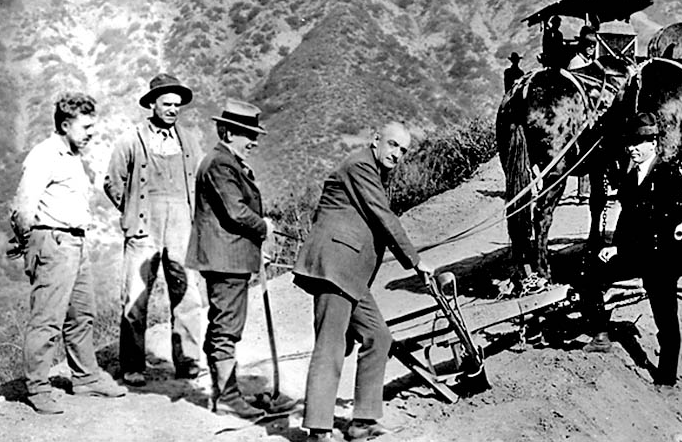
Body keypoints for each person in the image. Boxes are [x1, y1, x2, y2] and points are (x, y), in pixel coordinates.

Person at [293, 122, 434, 442]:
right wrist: (415, 261)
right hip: (336, 268)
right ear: (376, 140)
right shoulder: (359, 165)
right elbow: (383, 216)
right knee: (330, 346)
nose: (397, 154)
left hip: (350, 274)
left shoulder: (370, 169)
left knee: (379, 337)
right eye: (393, 145)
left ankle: (363, 422)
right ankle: (318, 430)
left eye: (403, 150)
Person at [10, 93, 128, 414]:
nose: (91, 132)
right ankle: (37, 386)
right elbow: (23, 207)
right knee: (47, 319)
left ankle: (86, 377)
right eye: (86, 126)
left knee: (81, 315)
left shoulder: (71, 155)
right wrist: (31, 244)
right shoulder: (44, 154)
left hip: (76, 243)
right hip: (53, 242)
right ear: (65, 124)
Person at [576, 112, 682, 387]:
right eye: (630, 143)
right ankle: (601, 333)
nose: (634, 148)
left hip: (662, 257)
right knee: (589, 270)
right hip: (636, 253)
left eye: (640, 143)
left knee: (665, 318)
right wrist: (615, 246)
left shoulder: (668, 172)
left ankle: (666, 378)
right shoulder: (630, 179)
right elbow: (627, 218)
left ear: (654, 143)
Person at [104, 74, 204, 387]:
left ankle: (188, 360)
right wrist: (132, 210)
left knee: (187, 294)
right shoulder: (131, 140)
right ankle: (133, 365)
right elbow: (112, 182)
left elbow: (199, 181)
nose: (173, 109)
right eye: (167, 104)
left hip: (181, 227)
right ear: (152, 104)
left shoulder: (189, 141)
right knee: (135, 296)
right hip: (143, 227)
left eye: (177, 105)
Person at [185, 99, 273, 419]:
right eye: (245, 134)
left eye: (254, 135)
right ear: (227, 131)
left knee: (224, 325)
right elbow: (236, 212)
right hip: (226, 259)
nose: (252, 141)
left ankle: (229, 392)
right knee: (226, 328)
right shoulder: (221, 164)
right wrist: (264, 228)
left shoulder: (227, 162)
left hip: (230, 256)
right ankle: (226, 398)